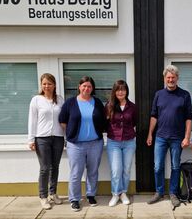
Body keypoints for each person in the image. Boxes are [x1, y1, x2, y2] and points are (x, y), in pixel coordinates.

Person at [146, 65, 192, 208]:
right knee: (158, 166)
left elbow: (188, 118)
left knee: (175, 166)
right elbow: (154, 116)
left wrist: (187, 137)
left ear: (177, 78)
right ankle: (159, 192)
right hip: (160, 136)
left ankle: (173, 193)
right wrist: (150, 134)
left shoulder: (184, 95)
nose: (171, 79)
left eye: (173, 77)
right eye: (168, 77)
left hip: (177, 137)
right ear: (165, 78)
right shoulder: (159, 94)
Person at [59, 76, 106, 212]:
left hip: (95, 144)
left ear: (92, 89)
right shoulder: (70, 103)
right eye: (84, 86)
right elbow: (63, 121)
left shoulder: (96, 102)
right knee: (76, 173)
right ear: (79, 87)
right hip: (75, 145)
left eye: (89, 86)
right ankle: (74, 199)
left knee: (92, 171)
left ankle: (91, 195)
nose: (86, 88)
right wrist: (71, 132)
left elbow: (103, 120)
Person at [28, 73, 65, 210]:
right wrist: (31, 139)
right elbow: (32, 121)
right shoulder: (36, 100)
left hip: (58, 138)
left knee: (55, 167)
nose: (47, 86)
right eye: (44, 83)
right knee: (44, 168)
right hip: (42, 138)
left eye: (49, 84)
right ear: (41, 85)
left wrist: (67, 136)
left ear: (54, 85)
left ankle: (53, 193)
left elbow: (64, 120)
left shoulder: (60, 100)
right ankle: (43, 197)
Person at [105, 80, 137, 207]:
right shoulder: (109, 106)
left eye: (123, 89)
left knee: (126, 169)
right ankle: (115, 194)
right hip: (114, 142)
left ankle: (123, 193)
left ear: (126, 91)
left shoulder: (132, 107)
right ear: (114, 91)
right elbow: (105, 123)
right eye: (118, 89)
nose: (120, 92)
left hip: (129, 141)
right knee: (116, 170)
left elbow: (134, 122)